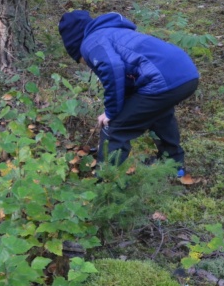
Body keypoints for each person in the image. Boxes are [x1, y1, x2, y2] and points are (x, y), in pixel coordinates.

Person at [58, 10, 199, 176]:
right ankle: (173, 166)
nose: (87, 65)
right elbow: (129, 77)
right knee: (160, 115)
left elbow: (113, 68)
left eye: (82, 61)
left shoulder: (90, 42)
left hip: (161, 80)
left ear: (76, 46)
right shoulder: (113, 32)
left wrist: (111, 112)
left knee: (115, 128)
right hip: (187, 74)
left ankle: (105, 184)